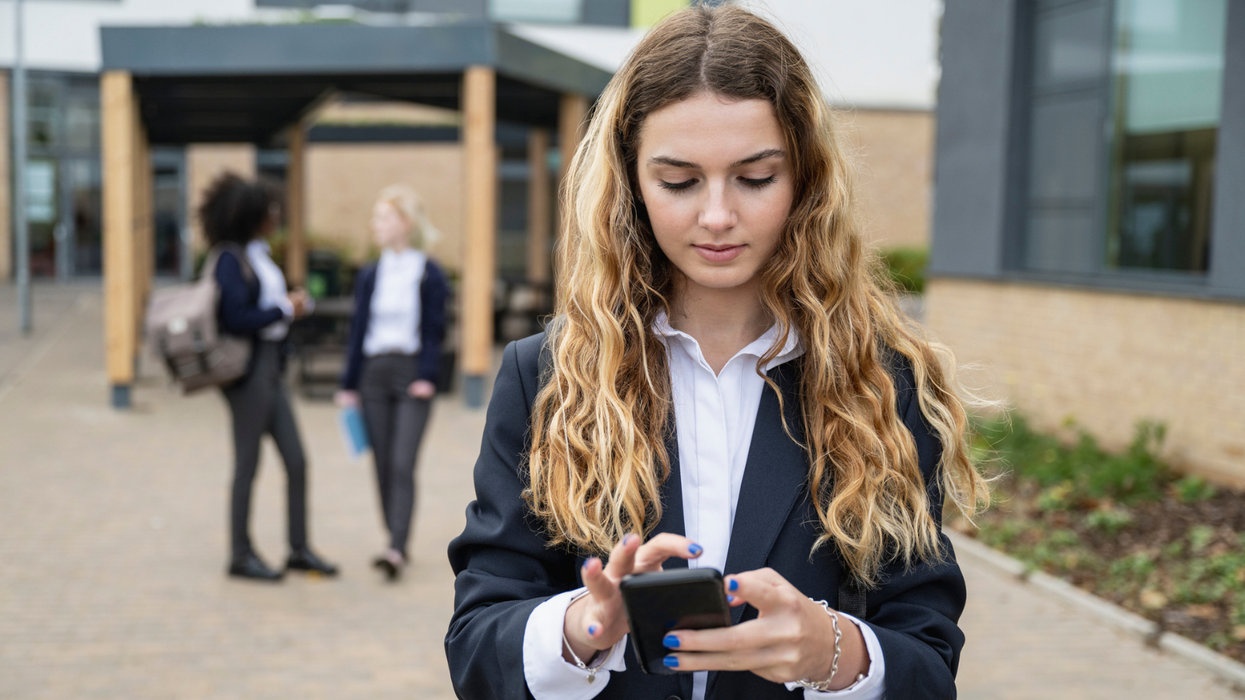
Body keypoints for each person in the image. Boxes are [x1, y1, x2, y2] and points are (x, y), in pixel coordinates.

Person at [446, 5, 990, 700]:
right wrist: (581, 625)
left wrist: (834, 650)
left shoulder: (881, 383)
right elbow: (476, 643)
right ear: (630, 186)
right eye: (678, 181)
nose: (716, 217)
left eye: (755, 177)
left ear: (805, 181)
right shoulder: (544, 376)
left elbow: (925, 659)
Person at [204, 172, 339, 582]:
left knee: (296, 460)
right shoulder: (230, 258)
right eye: (270, 210)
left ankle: (298, 548)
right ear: (249, 216)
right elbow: (235, 318)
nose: (276, 215)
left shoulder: (258, 254)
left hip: (270, 366)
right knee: (248, 463)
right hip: (247, 370)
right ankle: (239, 555)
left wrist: (291, 304)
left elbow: (267, 304)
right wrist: (284, 309)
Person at [336, 185, 449, 581]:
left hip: (411, 374)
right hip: (373, 374)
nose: (375, 225)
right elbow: (357, 331)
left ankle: (396, 547)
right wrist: (348, 384)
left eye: (383, 217)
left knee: (402, 462)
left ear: (405, 223)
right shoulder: (370, 274)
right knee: (382, 463)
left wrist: (427, 376)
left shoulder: (428, 271)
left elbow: (436, 330)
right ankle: (393, 536)